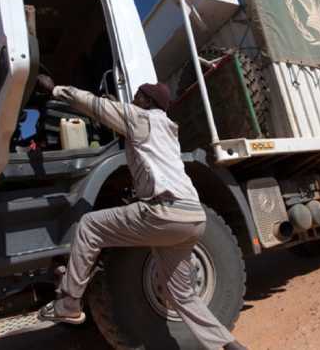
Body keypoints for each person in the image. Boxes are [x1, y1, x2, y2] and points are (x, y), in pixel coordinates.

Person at [33, 75, 246, 350]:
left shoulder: (138, 118)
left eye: (136, 96)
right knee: (183, 295)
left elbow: (92, 104)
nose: (132, 100)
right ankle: (229, 346)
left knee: (89, 226)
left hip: (164, 212)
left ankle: (69, 303)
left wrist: (56, 89)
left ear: (146, 101)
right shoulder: (167, 129)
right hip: (193, 216)